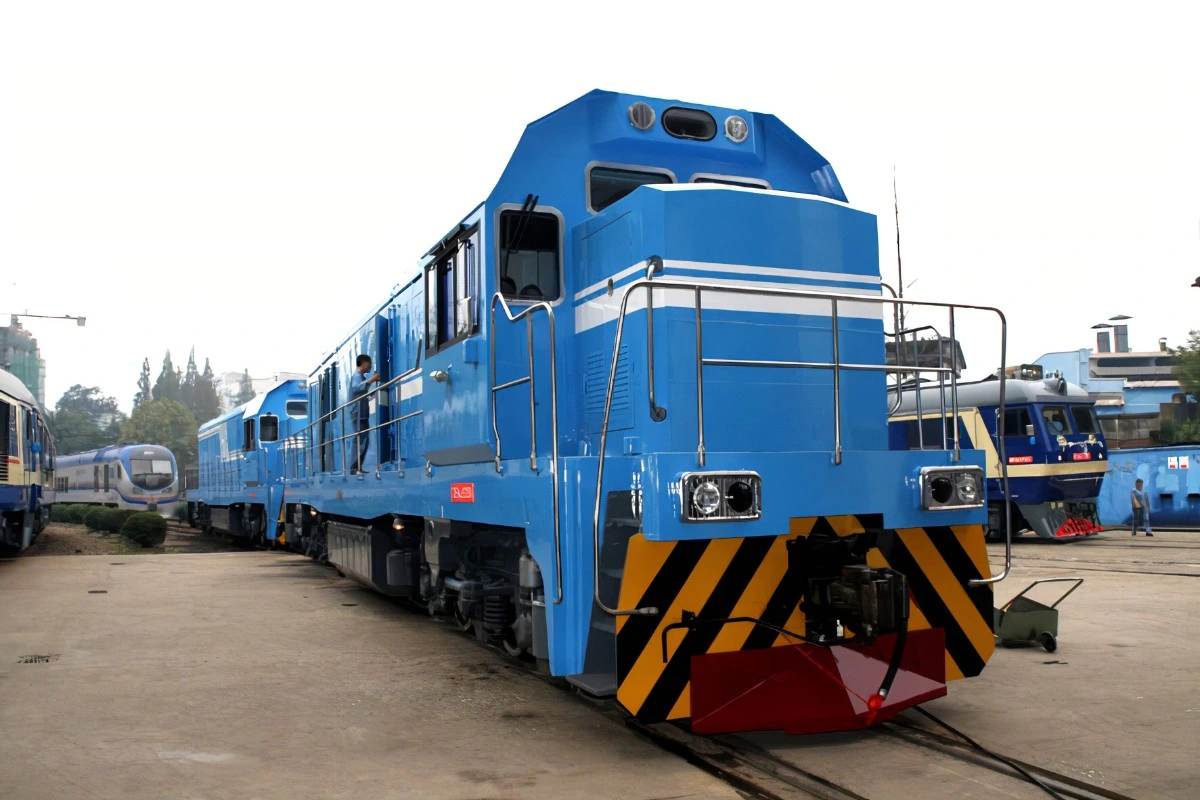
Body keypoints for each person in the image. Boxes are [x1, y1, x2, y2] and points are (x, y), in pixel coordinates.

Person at [348, 354, 379, 475]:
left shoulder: (361, 377)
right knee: (360, 439)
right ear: (363, 363)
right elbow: (357, 388)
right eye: (368, 363)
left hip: (362, 412)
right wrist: (373, 378)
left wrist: (371, 393)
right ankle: (354, 468)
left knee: (364, 439)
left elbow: (361, 392)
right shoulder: (357, 376)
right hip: (358, 413)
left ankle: (358, 467)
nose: (370, 365)